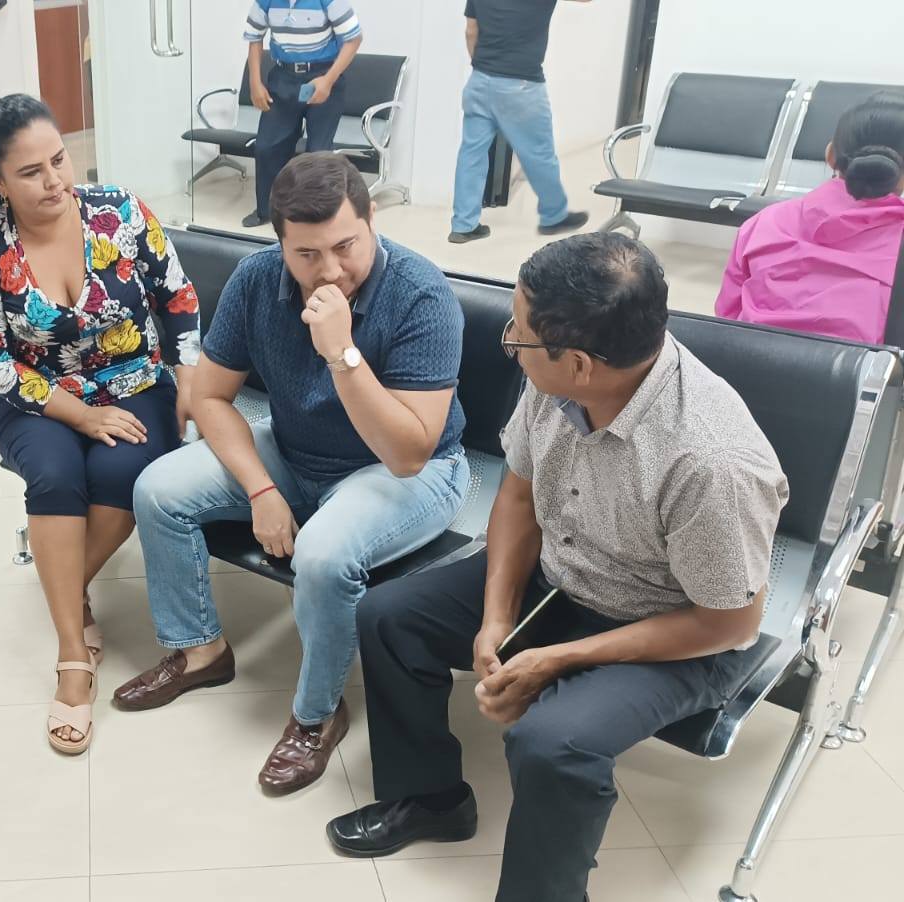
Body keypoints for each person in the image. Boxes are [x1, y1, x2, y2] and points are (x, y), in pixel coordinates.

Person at [330, 233, 788, 902]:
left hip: (677, 630)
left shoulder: (709, 463)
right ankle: (430, 799)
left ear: (577, 363)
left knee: (553, 742)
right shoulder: (559, 377)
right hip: (565, 577)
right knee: (389, 616)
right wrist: (496, 619)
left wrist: (559, 659)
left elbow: (729, 623)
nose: (509, 341)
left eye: (517, 334)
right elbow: (519, 496)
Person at [116, 152, 469, 794]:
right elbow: (210, 397)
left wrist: (342, 353)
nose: (329, 270)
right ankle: (199, 650)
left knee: (324, 555)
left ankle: (316, 716)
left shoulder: (421, 294)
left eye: (346, 246)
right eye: (307, 253)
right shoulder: (257, 280)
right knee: (158, 490)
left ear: (371, 220)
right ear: (279, 243)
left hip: (408, 473)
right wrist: (262, 489)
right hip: (295, 449)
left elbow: (409, 453)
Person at [0, 94, 201, 754]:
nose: (55, 181)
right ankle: (72, 656)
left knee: (121, 470)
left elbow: (177, 296)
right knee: (55, 475)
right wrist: (81, 415)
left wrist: (189, 379)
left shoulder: (119, 212)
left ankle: (68, 588)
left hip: (135, 383)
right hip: (37, 397)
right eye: (31, 172)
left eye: (59, 160)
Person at [716, 92, 904, 343]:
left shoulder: (764, 222)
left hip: (747, 362)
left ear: (830, 154)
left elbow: (726, 319)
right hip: (858, 368)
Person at [449, 0, 590, 244]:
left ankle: (463, 225)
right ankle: (554, 215)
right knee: (539, 153)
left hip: (479, 81)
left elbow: (471, 31)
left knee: (472, 153)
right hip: (521, 85)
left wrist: (482, 68)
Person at [240, 0, 363, 229]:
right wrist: (254, 82)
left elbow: (354, 39)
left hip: (323, 76)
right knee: (268, 146)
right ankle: (268, 211)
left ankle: (318, 215)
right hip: (283, 77)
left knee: (318, 153)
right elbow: (254, 37)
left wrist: (328, 80)